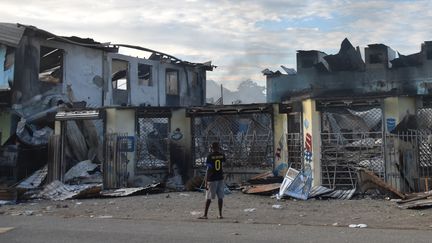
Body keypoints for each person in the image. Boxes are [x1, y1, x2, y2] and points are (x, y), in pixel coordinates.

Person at [198, 142, 225, 219]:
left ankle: (205, 215)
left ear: (212, 147)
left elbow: (209, 169)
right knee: (220, 197)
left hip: (212, 178)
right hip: (220, 177)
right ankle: (220, 214)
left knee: (208, 197)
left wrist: (206, 181)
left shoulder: (210, 156)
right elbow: (223, 166)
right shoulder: (222, 155)